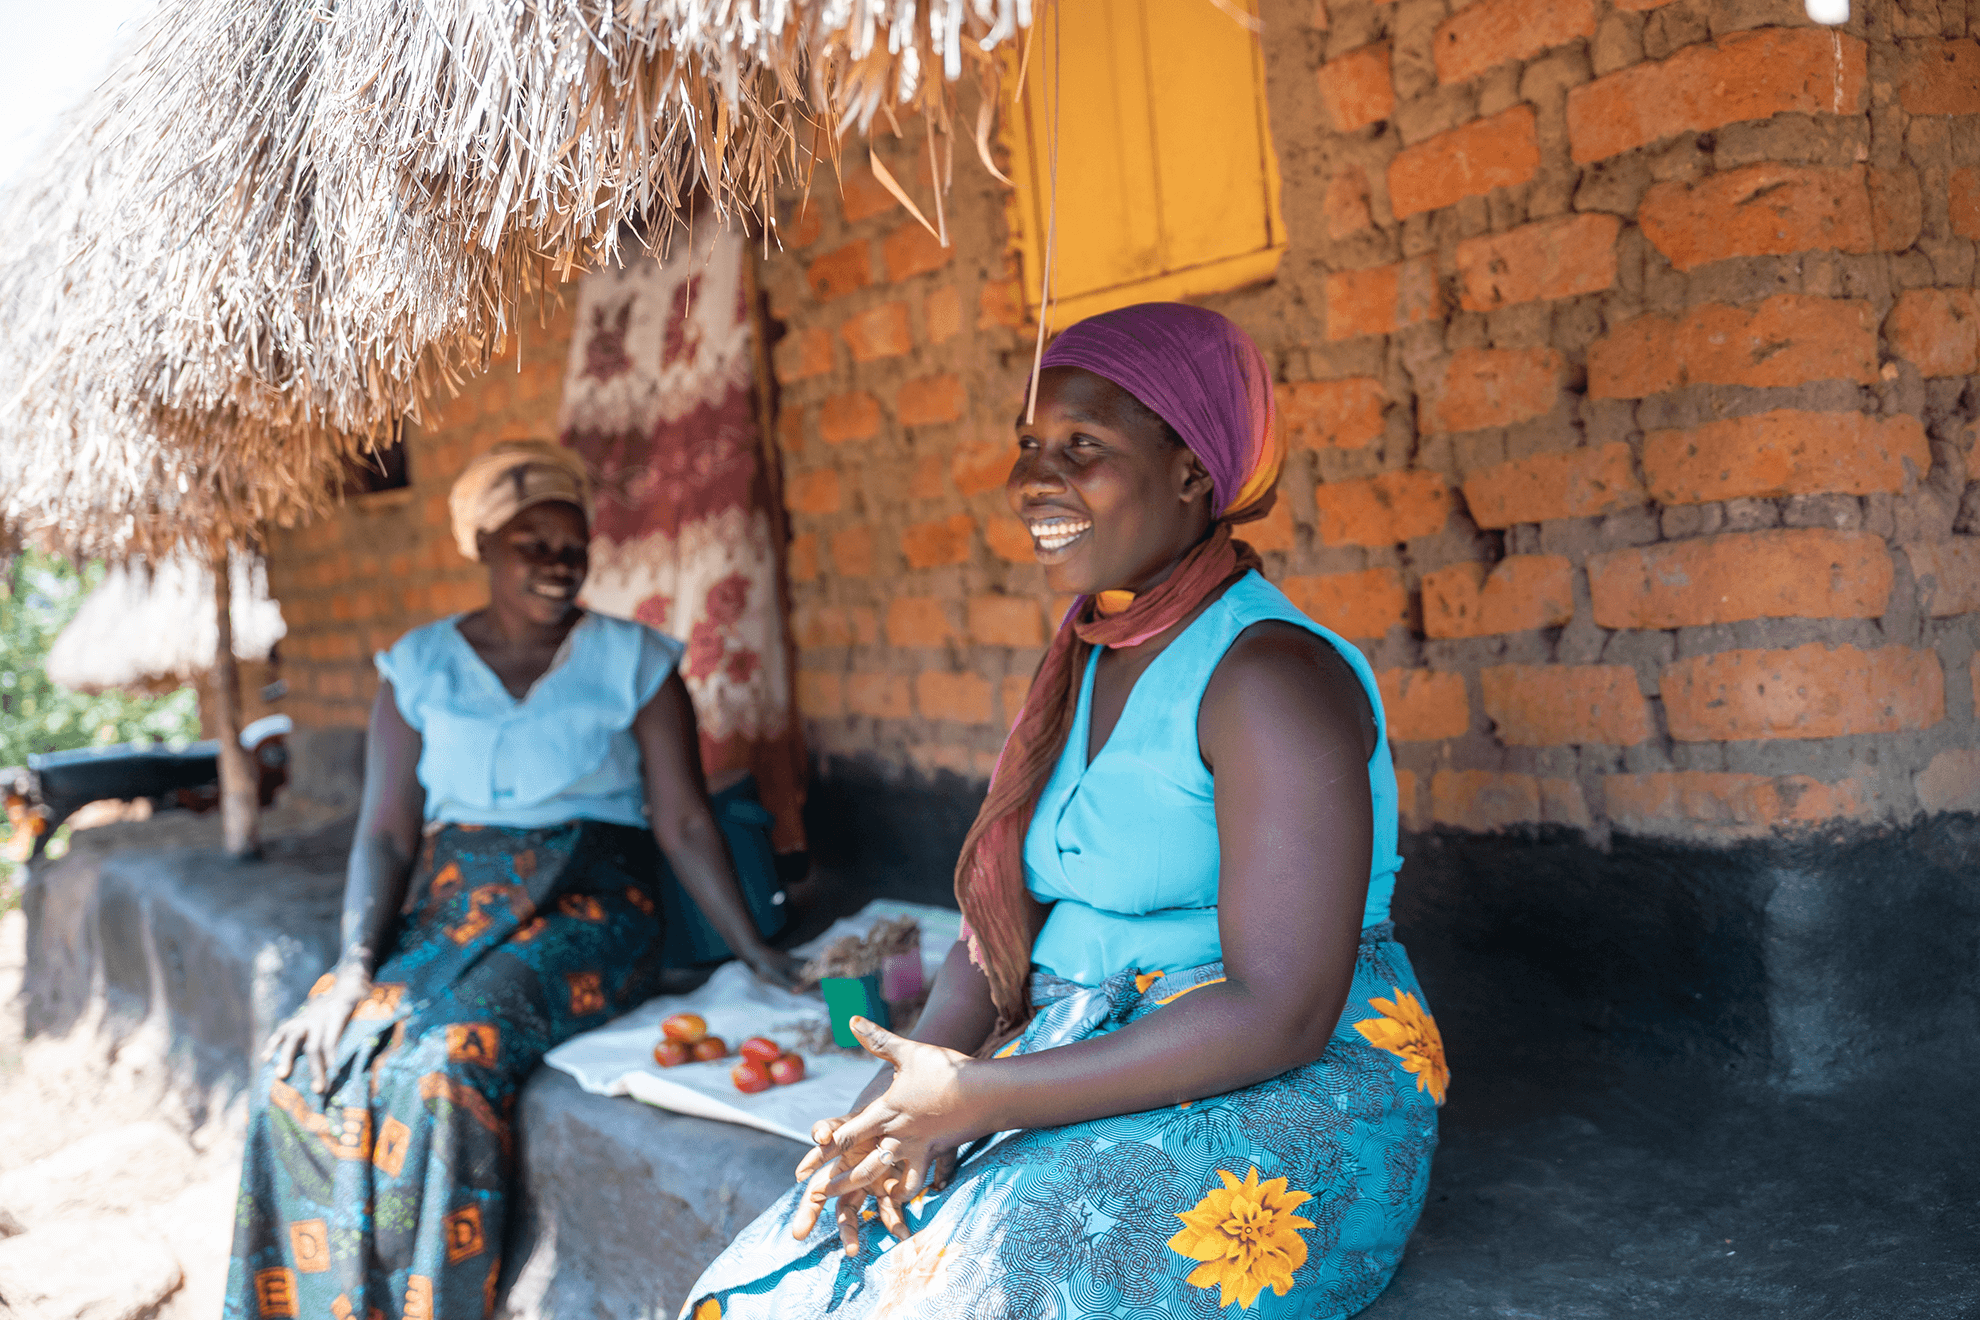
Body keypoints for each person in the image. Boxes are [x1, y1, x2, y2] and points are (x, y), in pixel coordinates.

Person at [682, 304, 1446, 1319]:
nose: (1036, 480)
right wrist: (901, 1104)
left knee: (974, 1287)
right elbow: (1002, 926)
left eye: (1083, 448)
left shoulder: (1270, 679)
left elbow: (1282, 1012)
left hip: (1277, 1085)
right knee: (771, 1275)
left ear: (1192, 472)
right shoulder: (1092, 661)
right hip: (1085, 1047)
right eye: (1030, 446)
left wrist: (982, 1098)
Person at [224, 441, 799, 1320]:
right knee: (305, 1066)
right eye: (532, 543)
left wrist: (755, 949)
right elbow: (384, 833)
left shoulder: (636, 661)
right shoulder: (417, 668)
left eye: (573, 544)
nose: (559, 562)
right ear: (484, 547)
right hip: (454, 908)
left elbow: (684, 821)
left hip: (592, 901)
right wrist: (350, 969)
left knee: (450, 1060)